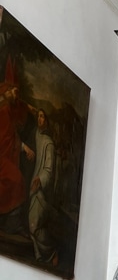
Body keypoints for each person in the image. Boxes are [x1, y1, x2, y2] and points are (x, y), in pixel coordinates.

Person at [0, 78, 36, 229]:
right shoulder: (3, 110)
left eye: (17, 93)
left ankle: (10, 222)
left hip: (5, 155)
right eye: (14, 92)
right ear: (6, 92)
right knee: (17, 180)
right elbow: (5, 139)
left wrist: (28, 106)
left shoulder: (9, 106)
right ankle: (10, 223)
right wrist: (23, 147)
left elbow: (19, 105)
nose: (16, 96)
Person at [28, 109, 58, 265]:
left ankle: (51, 252)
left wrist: (40, 179)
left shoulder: (48, 143)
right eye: (38, 116)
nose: (39, 119)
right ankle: (40, 256)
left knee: (34, 226)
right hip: (32, 186)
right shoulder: (36, 136)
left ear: (46, 121)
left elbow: (49, 169)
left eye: (42, 117)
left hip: (40, 190)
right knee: (31, 225)